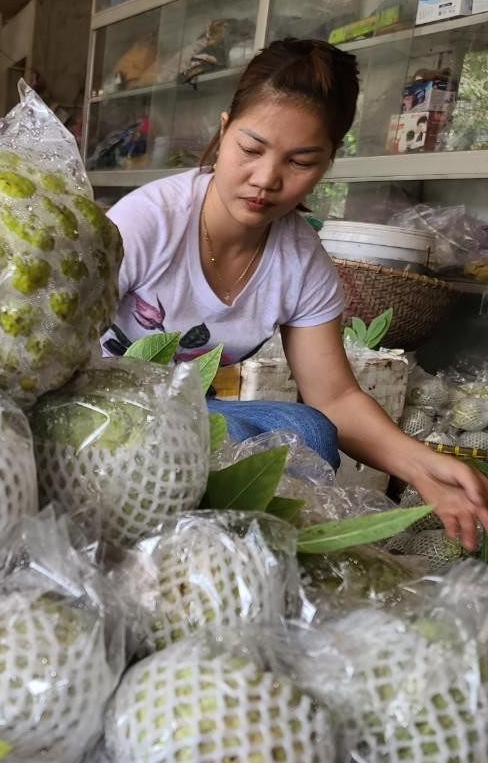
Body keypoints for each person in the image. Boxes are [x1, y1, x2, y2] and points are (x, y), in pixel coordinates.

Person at [101, 37, 488, 550]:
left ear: (327, 163)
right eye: (251, 149)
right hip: (101, 408)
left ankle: (235, 554)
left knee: (307, 430)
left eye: (300, 162)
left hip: (186, 413)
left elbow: (336, 396)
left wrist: (422, 465)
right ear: (223, 131)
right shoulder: (147, 222)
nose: (266, 179)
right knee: (222, 446)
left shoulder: (300, 261)